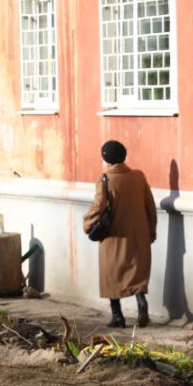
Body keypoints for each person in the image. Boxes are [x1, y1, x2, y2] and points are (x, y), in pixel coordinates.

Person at [82, 140, 157, 329]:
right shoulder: (139, 176)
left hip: (114, 237)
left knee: (111, 275)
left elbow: (99, 206)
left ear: (106, 158)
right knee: (137, 273)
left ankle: (118, 316)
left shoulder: (105, 180)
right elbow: (150, 206)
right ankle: (141, 302)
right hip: (138, 235)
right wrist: (151, 230)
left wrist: (87, 222)